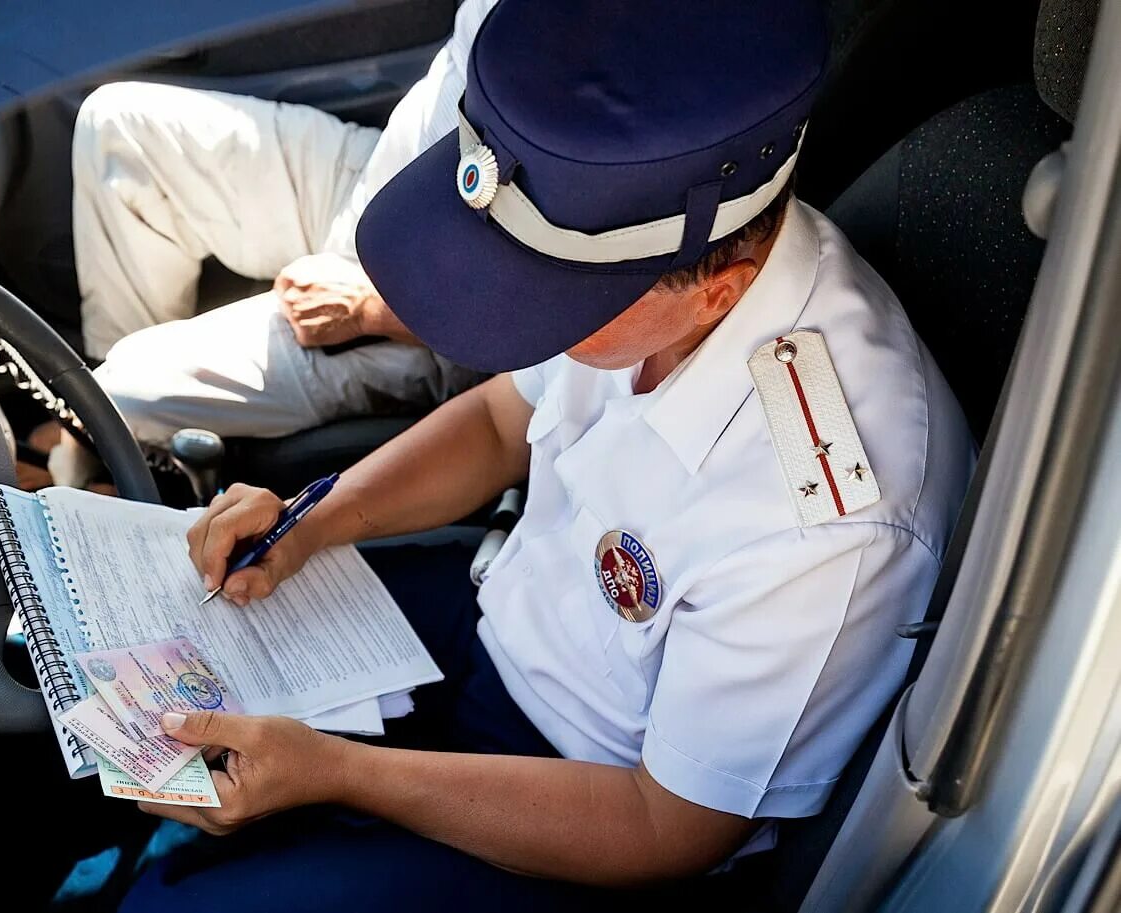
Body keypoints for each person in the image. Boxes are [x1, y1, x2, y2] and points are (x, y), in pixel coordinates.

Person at [120, 0, 975, 908]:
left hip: (587, 800)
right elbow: (498, 421)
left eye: (554, 304)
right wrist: (312, 521)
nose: (530, 322)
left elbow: (664, 825)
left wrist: (341, 773)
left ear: (714, 293)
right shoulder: (653, 261)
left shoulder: (825, 514)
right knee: (158, 669)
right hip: (496, 608)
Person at [50, 1, 496, 486]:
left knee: (118, 393)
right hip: (384, 177)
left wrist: (368, 308)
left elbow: (558, 313)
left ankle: (107, 437)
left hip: (429, 299)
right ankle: (116, 450)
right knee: (117, 127)